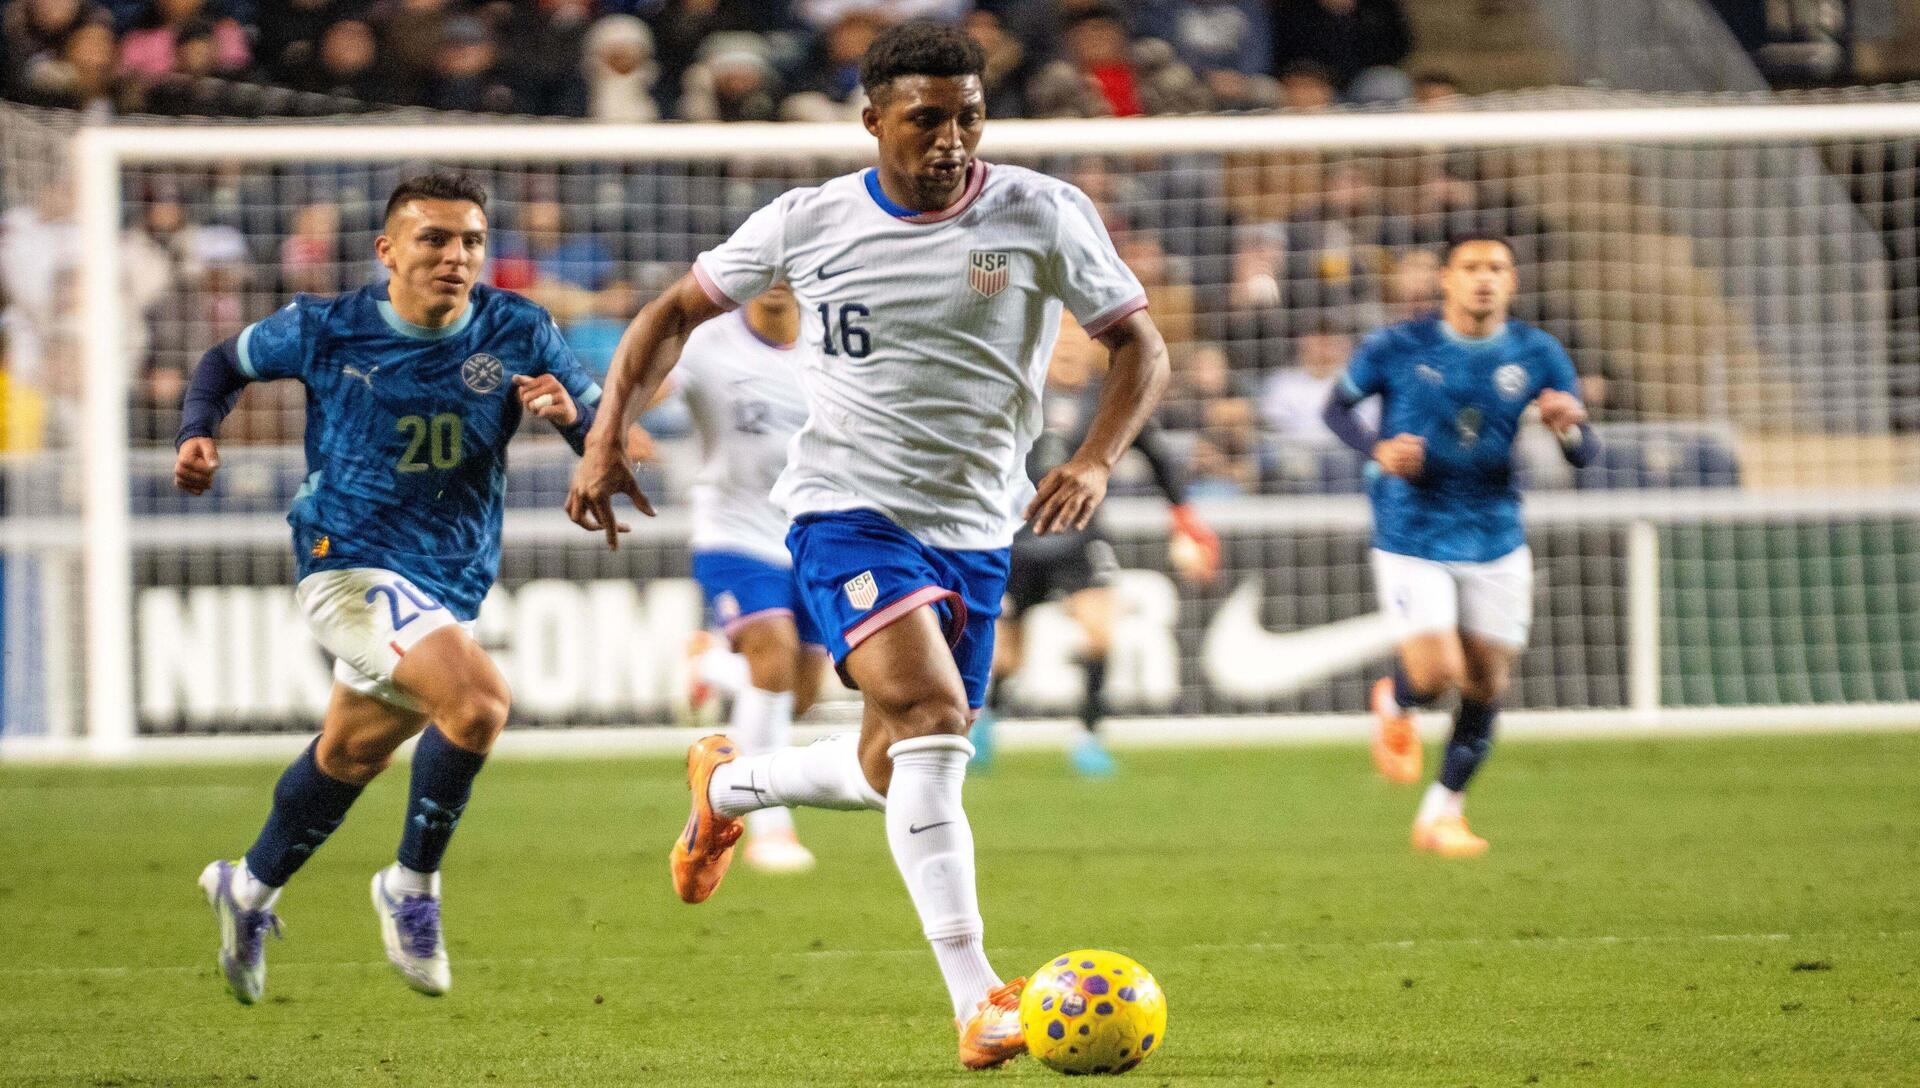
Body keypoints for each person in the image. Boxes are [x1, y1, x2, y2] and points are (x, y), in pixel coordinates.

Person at [564, 22, 1170, 1070]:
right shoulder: (810, 220)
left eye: (969, 115)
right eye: (927, 117)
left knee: (903, 769)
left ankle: (729, 788)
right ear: (874, 119)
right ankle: (979, 995)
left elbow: (1140, 345)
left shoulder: (1039, 210)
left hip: (981, 524)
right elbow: (671, 311)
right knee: (933, 718)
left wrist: (1100, 458)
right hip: (848, 511)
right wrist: (610, 426)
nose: (951, 138)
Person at [177, 173, 602, 1004]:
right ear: (388, 251)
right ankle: (411, 887)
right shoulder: (325, 327)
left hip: (449, 577)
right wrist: (197, 433)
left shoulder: (520, 329)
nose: (456, 256)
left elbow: (597, 428)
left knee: (351, 754)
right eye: (434, 239)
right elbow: (221, 364)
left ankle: (248, 891)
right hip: (347, 563)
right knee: (477, 703)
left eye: (471, 241)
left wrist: (574, 425)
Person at [1322, 234, 1598, 858]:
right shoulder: (1397, 346)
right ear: (1445, 279)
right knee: (1436, 672)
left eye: (1497, 268)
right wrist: (1377, 451)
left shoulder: (1537, 352)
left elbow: (1587, 454)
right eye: (1471, 267)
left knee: (1485, 685)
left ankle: (1442, 813)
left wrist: (1569, 428)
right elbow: (1336, 410)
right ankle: (1396, 701)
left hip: (1496, 534)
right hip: (1410, 528)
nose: (1484, 279)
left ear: (1513, 282)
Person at [972, 314, 1218, 776]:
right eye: (1057, 335)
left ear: (1091, 345)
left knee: (1101, 633)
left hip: (1081, 538)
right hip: (1018, 541)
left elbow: (1157, 456)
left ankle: (1086, 736)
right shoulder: (1019, 395)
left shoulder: (1108, 398)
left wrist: (1184, 518)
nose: (1065, 345)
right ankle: (989, 721)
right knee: (1005, 657)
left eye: (1074, 336)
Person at [658, 282, 829, 874]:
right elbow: (651, 376)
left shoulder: (833, 344)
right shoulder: (708, 343)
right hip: (732, 531)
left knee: (800, 695)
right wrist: (617, 421)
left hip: (811, 535)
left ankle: (706, 664)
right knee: (774, 663)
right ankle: (768, 825)